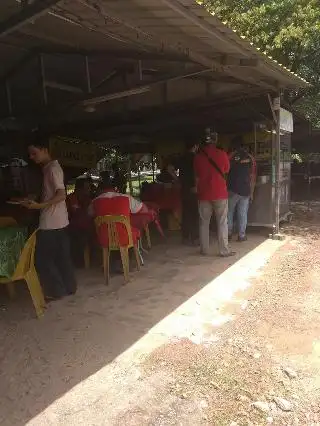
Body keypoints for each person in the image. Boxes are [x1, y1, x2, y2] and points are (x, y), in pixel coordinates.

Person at [21, 136, 77, 301]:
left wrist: (39, 206)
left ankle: (56, 291)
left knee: (42, 259)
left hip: (50, 222)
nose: (32, 157)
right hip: (60, 220)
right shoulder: (48, 168)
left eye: (34, 153)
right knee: (62, 257)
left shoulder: (53, 168)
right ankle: (69, 288)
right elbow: (52, 193)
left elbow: (61, 194)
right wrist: (36, 198)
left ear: (45, 150)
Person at [194, 128, 234, 257]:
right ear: (215, 141)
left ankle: (204, 250)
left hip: (203, 194)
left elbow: (197, 175)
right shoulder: (222, 154)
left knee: (203, 223)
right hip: (220, 194)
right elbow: (226, 170)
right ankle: (224, 250)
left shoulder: (197, 157)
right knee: (222, 222)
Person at [228, 136, 256, 242]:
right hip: (245, 190)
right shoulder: (250, 158)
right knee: (242, 213)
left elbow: (224, 171)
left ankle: (228, 234)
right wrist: (252, 192)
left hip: (232, 189)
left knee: (229, 212)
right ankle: (241, 235)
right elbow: (252, 176)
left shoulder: (230, 156)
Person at [67, 178, 94, 266]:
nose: (89, 189)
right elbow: (76, 212)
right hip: (72, 227)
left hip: (85, 227)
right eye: (87, 188)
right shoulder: (71, 198)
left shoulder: (88, 199)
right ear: (79, 189)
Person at [179, 139, 199, 245]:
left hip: (184, 189)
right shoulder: (196, 158)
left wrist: (177, 179)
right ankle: (195, 238)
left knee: (186, 214)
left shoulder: (181, 158)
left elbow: (170, 168)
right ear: (195, 146)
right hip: (193, 189)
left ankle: (185, 237)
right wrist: (196, 186)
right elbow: (197, 174)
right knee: (195, 214)